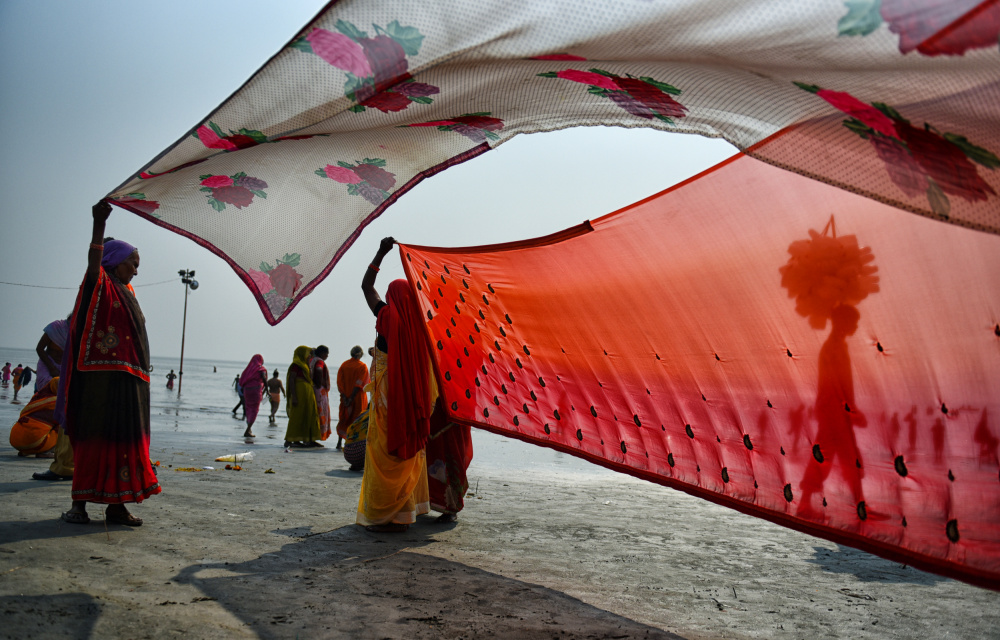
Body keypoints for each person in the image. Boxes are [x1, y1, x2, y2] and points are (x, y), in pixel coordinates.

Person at [56, 200, 160, 526]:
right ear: (114, 262)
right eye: (132, 263)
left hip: (130, 383)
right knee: (93, 439)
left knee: (125, 443)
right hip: (97, 382)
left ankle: (117, 507)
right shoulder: (97, 284)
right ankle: (79, 506)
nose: (136, 270)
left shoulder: (127, 292)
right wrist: (98, 225)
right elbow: (93, 263)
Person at [356, 237, 434, 532]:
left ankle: (380, 514)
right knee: (408, 449)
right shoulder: (420, 326)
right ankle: (403, 514)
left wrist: (381, 252)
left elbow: (366, 287)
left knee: (383, 449)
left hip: (388, 395)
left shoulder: (388, 317)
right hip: (412, 395)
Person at [284, 346, 321, 447]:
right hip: (299, 393)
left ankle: (306, 439)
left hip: (308, 394)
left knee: (309, 415)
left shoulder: (305, 365)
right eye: (308, 353)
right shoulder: (296, 365)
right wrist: (294, 396)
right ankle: (289, 440)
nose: (309, 355)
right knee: (297, 417)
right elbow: (292, 380)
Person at [337, 345, 369, 451]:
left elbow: (340, 382)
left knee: (344, 418)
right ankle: (352, 443)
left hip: (345, 397)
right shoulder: (362, 366)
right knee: (357, 420)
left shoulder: (344, 365)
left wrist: (345, 396)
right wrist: (351, 398)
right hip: (357, 398)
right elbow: (360, 383)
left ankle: (339, 442)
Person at [238, 354, 268, 438]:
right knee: (254, 410)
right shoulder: (261, 369)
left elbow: (242, 380)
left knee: (248, 409)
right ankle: (248, 430)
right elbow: (264, 379)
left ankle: (249, 430)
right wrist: (267, 390)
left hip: (247, 391)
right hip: (256, 391)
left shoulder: (248, 369)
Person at [309, 345, 333, 442]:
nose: (327, 356)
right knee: (320, 413)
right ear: (323, 353)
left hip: (312, 388)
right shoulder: (319, 361)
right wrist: (319, 384)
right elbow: (319, 370)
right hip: (319, 391)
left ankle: (312, 438)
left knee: (314, 413)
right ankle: (314, 438)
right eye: (327, 354)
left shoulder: (311, 360)